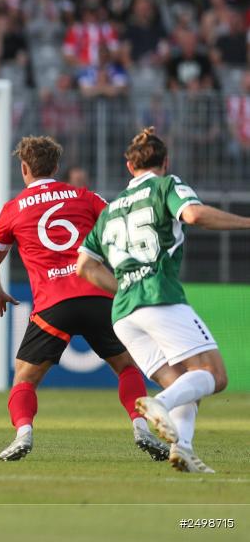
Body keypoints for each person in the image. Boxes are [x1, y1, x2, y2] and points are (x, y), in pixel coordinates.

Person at [0, 135, 168, 462]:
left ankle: (23, 433)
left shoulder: (12, 210)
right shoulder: (85, 196)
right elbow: (122, 230)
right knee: (126, 367)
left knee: (24, 377)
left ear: (24, 168)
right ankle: (141, 426)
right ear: (56, 167)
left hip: (53, 305)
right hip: (98, 296)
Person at [77, 127, 250, 472]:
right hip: (160, 298)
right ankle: (159, 404)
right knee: (214, 375)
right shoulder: (166, 185)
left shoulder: (110, 210)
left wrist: (126, 285)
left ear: (129, 166)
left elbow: (84, 266)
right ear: (165, 161)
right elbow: (194, 215)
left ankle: (182, 448)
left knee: (187, 383)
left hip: (124, 313)